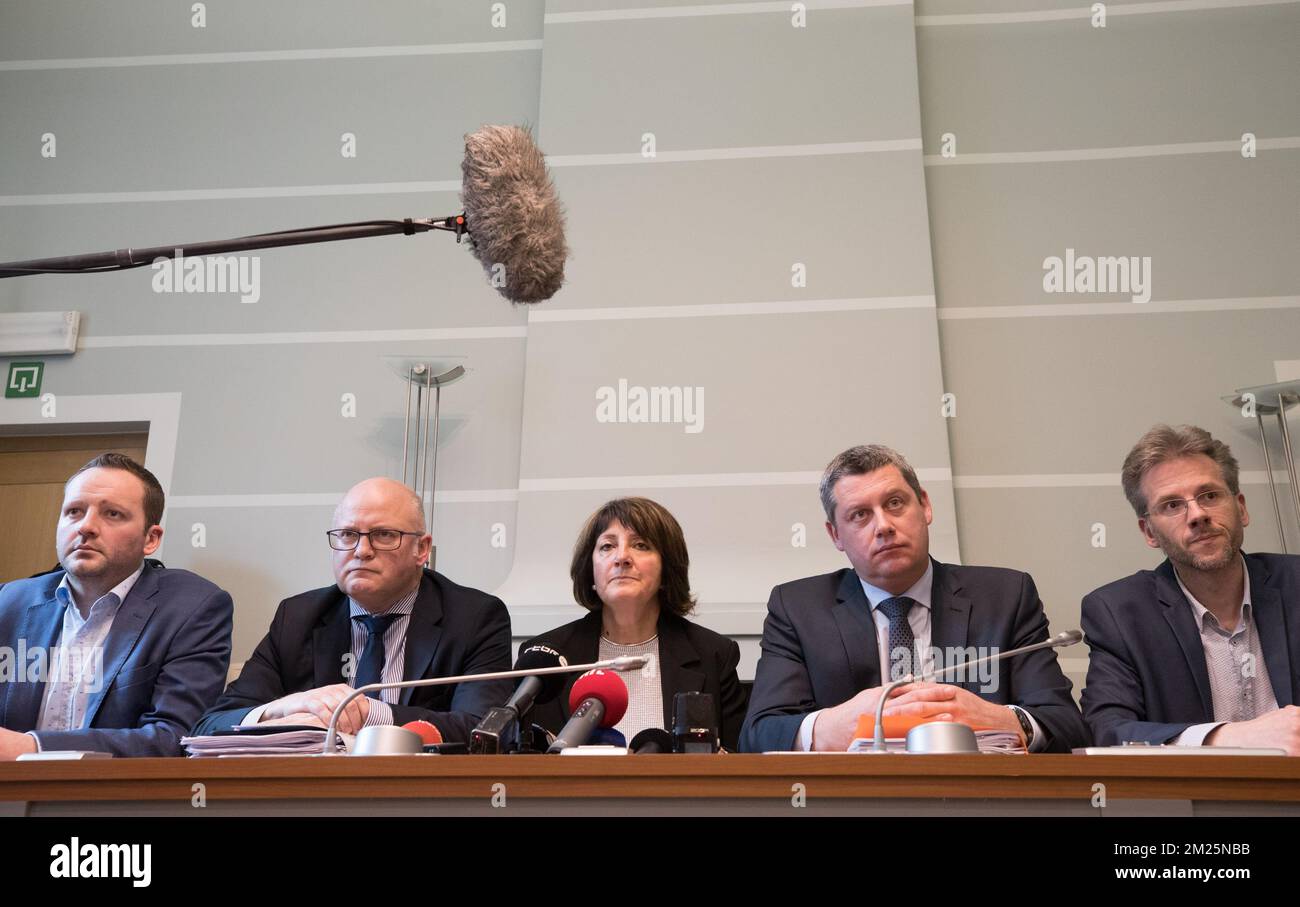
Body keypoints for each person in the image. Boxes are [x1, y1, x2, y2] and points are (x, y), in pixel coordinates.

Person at [740, 444, 1088, 753]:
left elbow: (1067, 727)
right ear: (836, 535)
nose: (884, 526)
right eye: (860, 515)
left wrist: (1000, 718)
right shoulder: (798, 609)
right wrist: (833, 726)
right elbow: (759, 734)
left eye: (894, 503)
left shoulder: (1005, 596)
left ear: (925, 506)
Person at [193, 477, 512, 742]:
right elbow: (210, 727)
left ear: (422, 549)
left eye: (384, 535)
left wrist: (370, 712)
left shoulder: (474, 617)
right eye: (347, 535)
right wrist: (287, 706)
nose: (361, 551)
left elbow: (485, 731)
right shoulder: (297, 617)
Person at [1081, 424, 1300, 752]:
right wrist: (1224, 738)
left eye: (1209, 495)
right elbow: (1108, 731)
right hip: (1193, 800)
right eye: (1172, 505)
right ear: (1149, 532)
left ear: (1240, 508)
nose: (1197, 515)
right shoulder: (1119, 614)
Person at [0, 453, 233, 758]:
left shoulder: (194, 608)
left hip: (115, 799)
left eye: (112, 514)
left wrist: (32, 747)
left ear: (150, 539)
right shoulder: (9, 601)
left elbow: (174, 736)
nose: (86, 527)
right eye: (74, 511)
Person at [518, 497, 747, 751]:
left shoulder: (713, 655)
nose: (622, 557)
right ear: (590, 571)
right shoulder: (547, 659)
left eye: (640, 545)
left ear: (666, 569)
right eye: (607, 546)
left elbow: (738, 762)